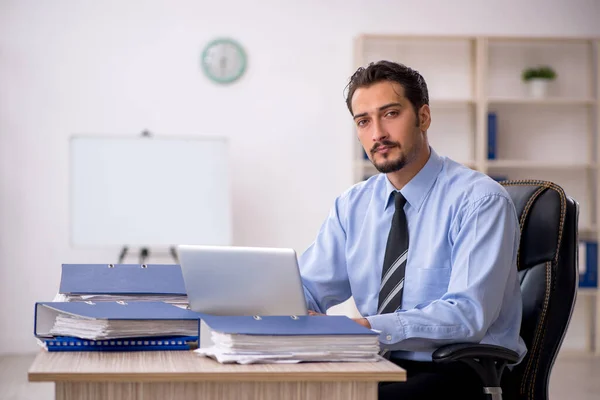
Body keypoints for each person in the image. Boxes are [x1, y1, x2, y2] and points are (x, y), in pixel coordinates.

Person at [298, 60, 527, 400]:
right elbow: (309, 286)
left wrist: (371, 328)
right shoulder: (353, 205)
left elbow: (468, 314)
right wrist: (290, 310)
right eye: (364, 121)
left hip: (458, 368)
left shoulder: (480, 200)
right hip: (377, 362)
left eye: (390, 114)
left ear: (423, 117)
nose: (377, 134)